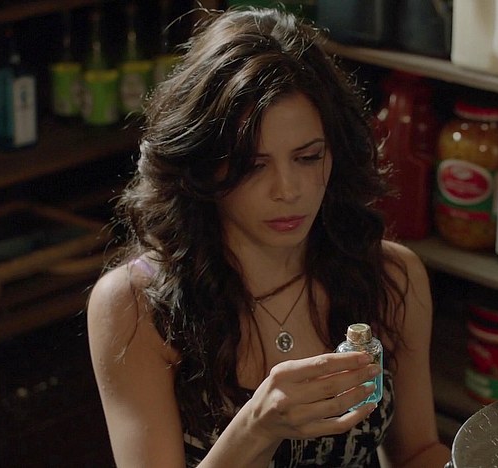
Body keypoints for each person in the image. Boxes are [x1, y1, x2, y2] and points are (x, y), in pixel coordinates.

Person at [86, 7, 451, 468]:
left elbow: (418, 452)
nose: (288, 190)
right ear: (201, 165)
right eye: (254, 165)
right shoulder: (134, 306)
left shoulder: (392, 276)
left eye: (308, 157)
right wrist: (257, 427)